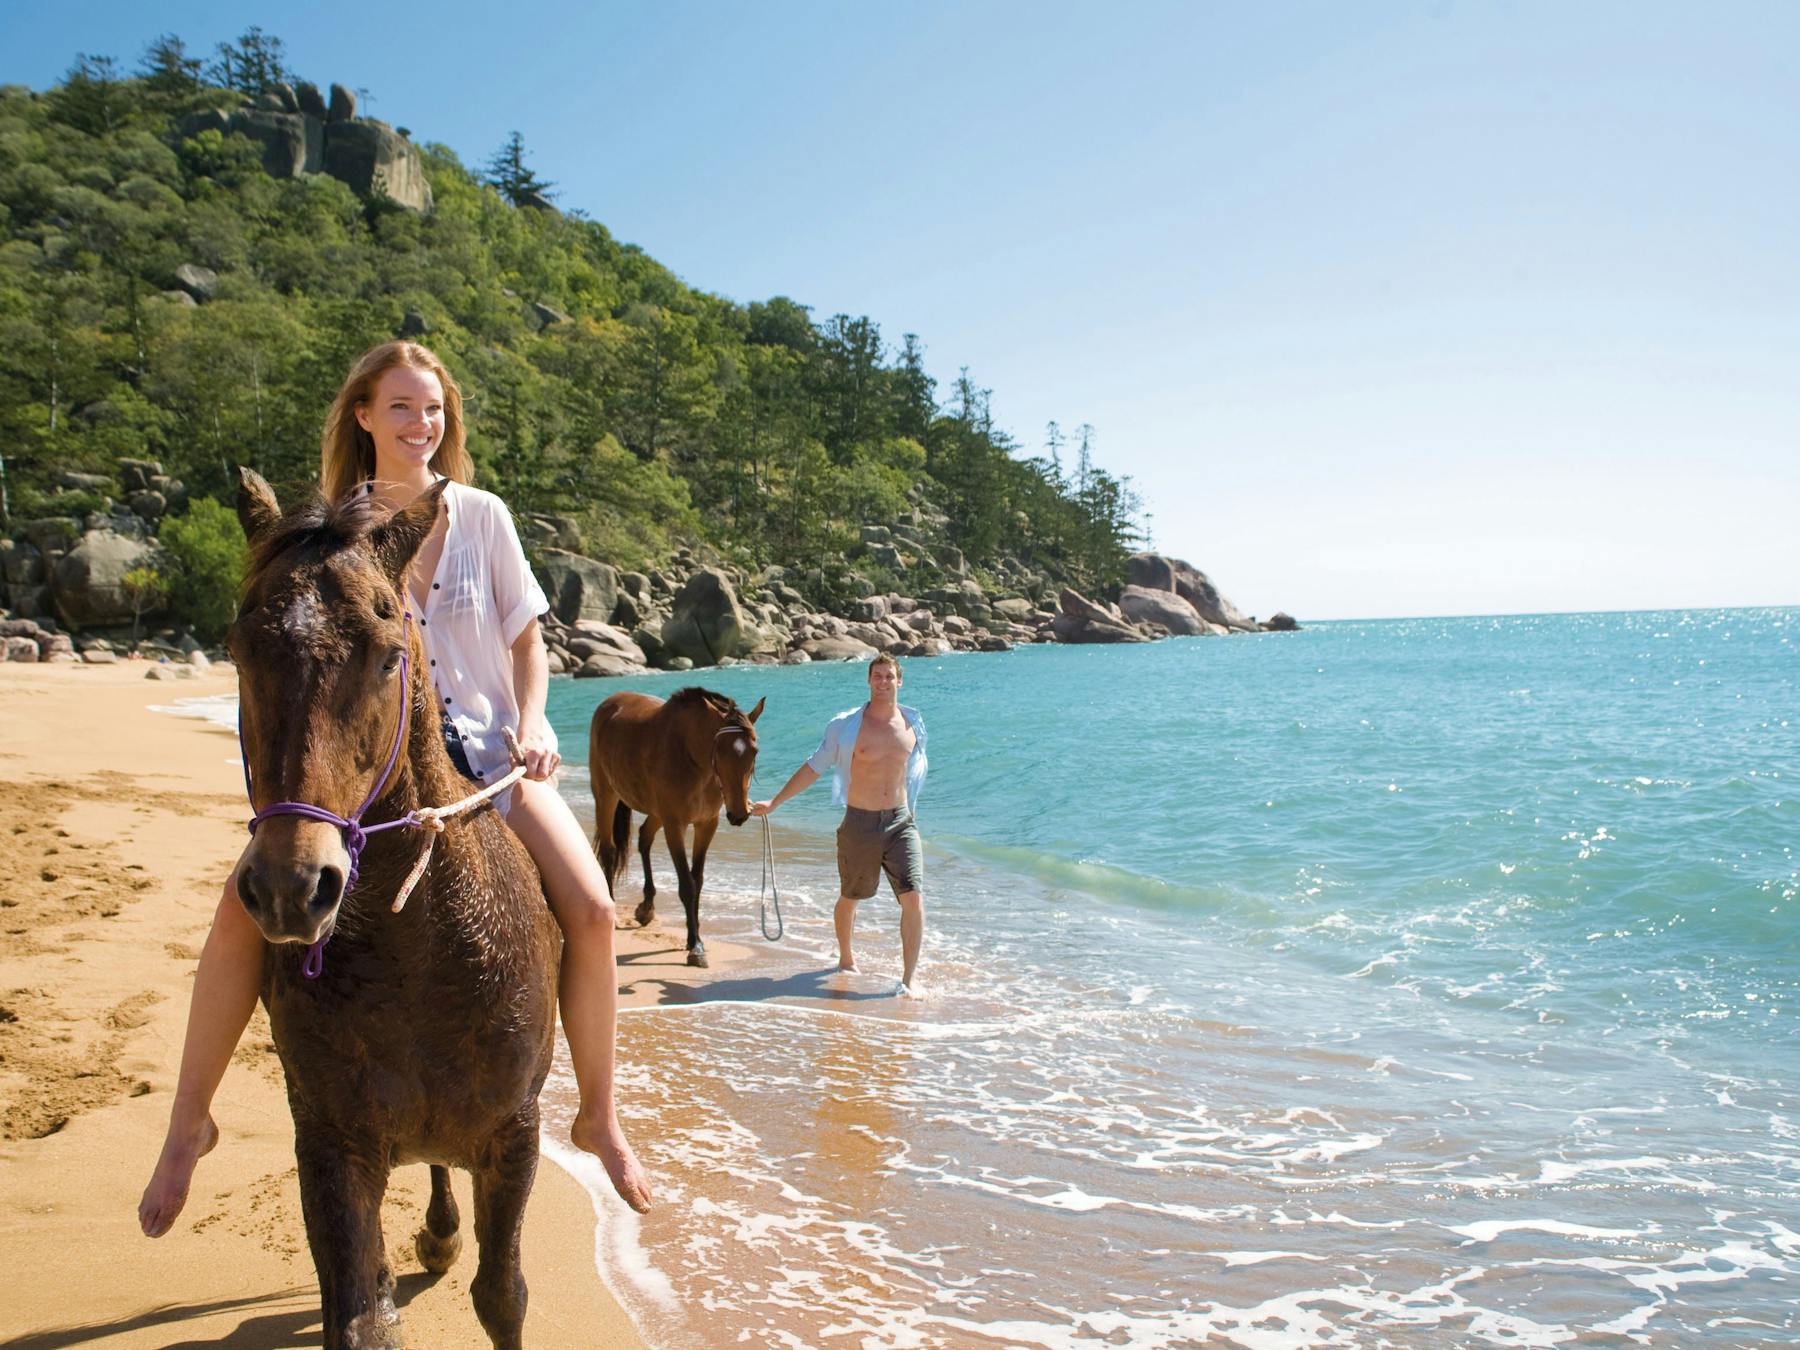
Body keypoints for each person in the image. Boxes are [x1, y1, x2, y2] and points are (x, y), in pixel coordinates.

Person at [138, 341, 651, 1237]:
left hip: (487, 761)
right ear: (364, 417)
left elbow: (526, 637)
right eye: (404, 408)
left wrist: (534, 722)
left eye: (436, 409)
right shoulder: (336, 529)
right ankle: (189, 1124)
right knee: (236, 915)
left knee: (596, 911)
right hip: (360, 774)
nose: (424, 425)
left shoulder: (483, 515)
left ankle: (598, 1112)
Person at [750, 654, 929, 995]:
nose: (883, 682)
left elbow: (918, 769)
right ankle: (846, 957)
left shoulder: (913, 723)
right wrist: (775, 802)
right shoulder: (846, 727)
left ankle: (909, 981)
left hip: (901, 822)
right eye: (877, 676)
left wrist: (911, 810)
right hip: (859, 823)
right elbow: (813, 767)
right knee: (850, 896)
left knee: (914, 899)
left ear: (899, 681)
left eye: (889, 676)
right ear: (868, 680)